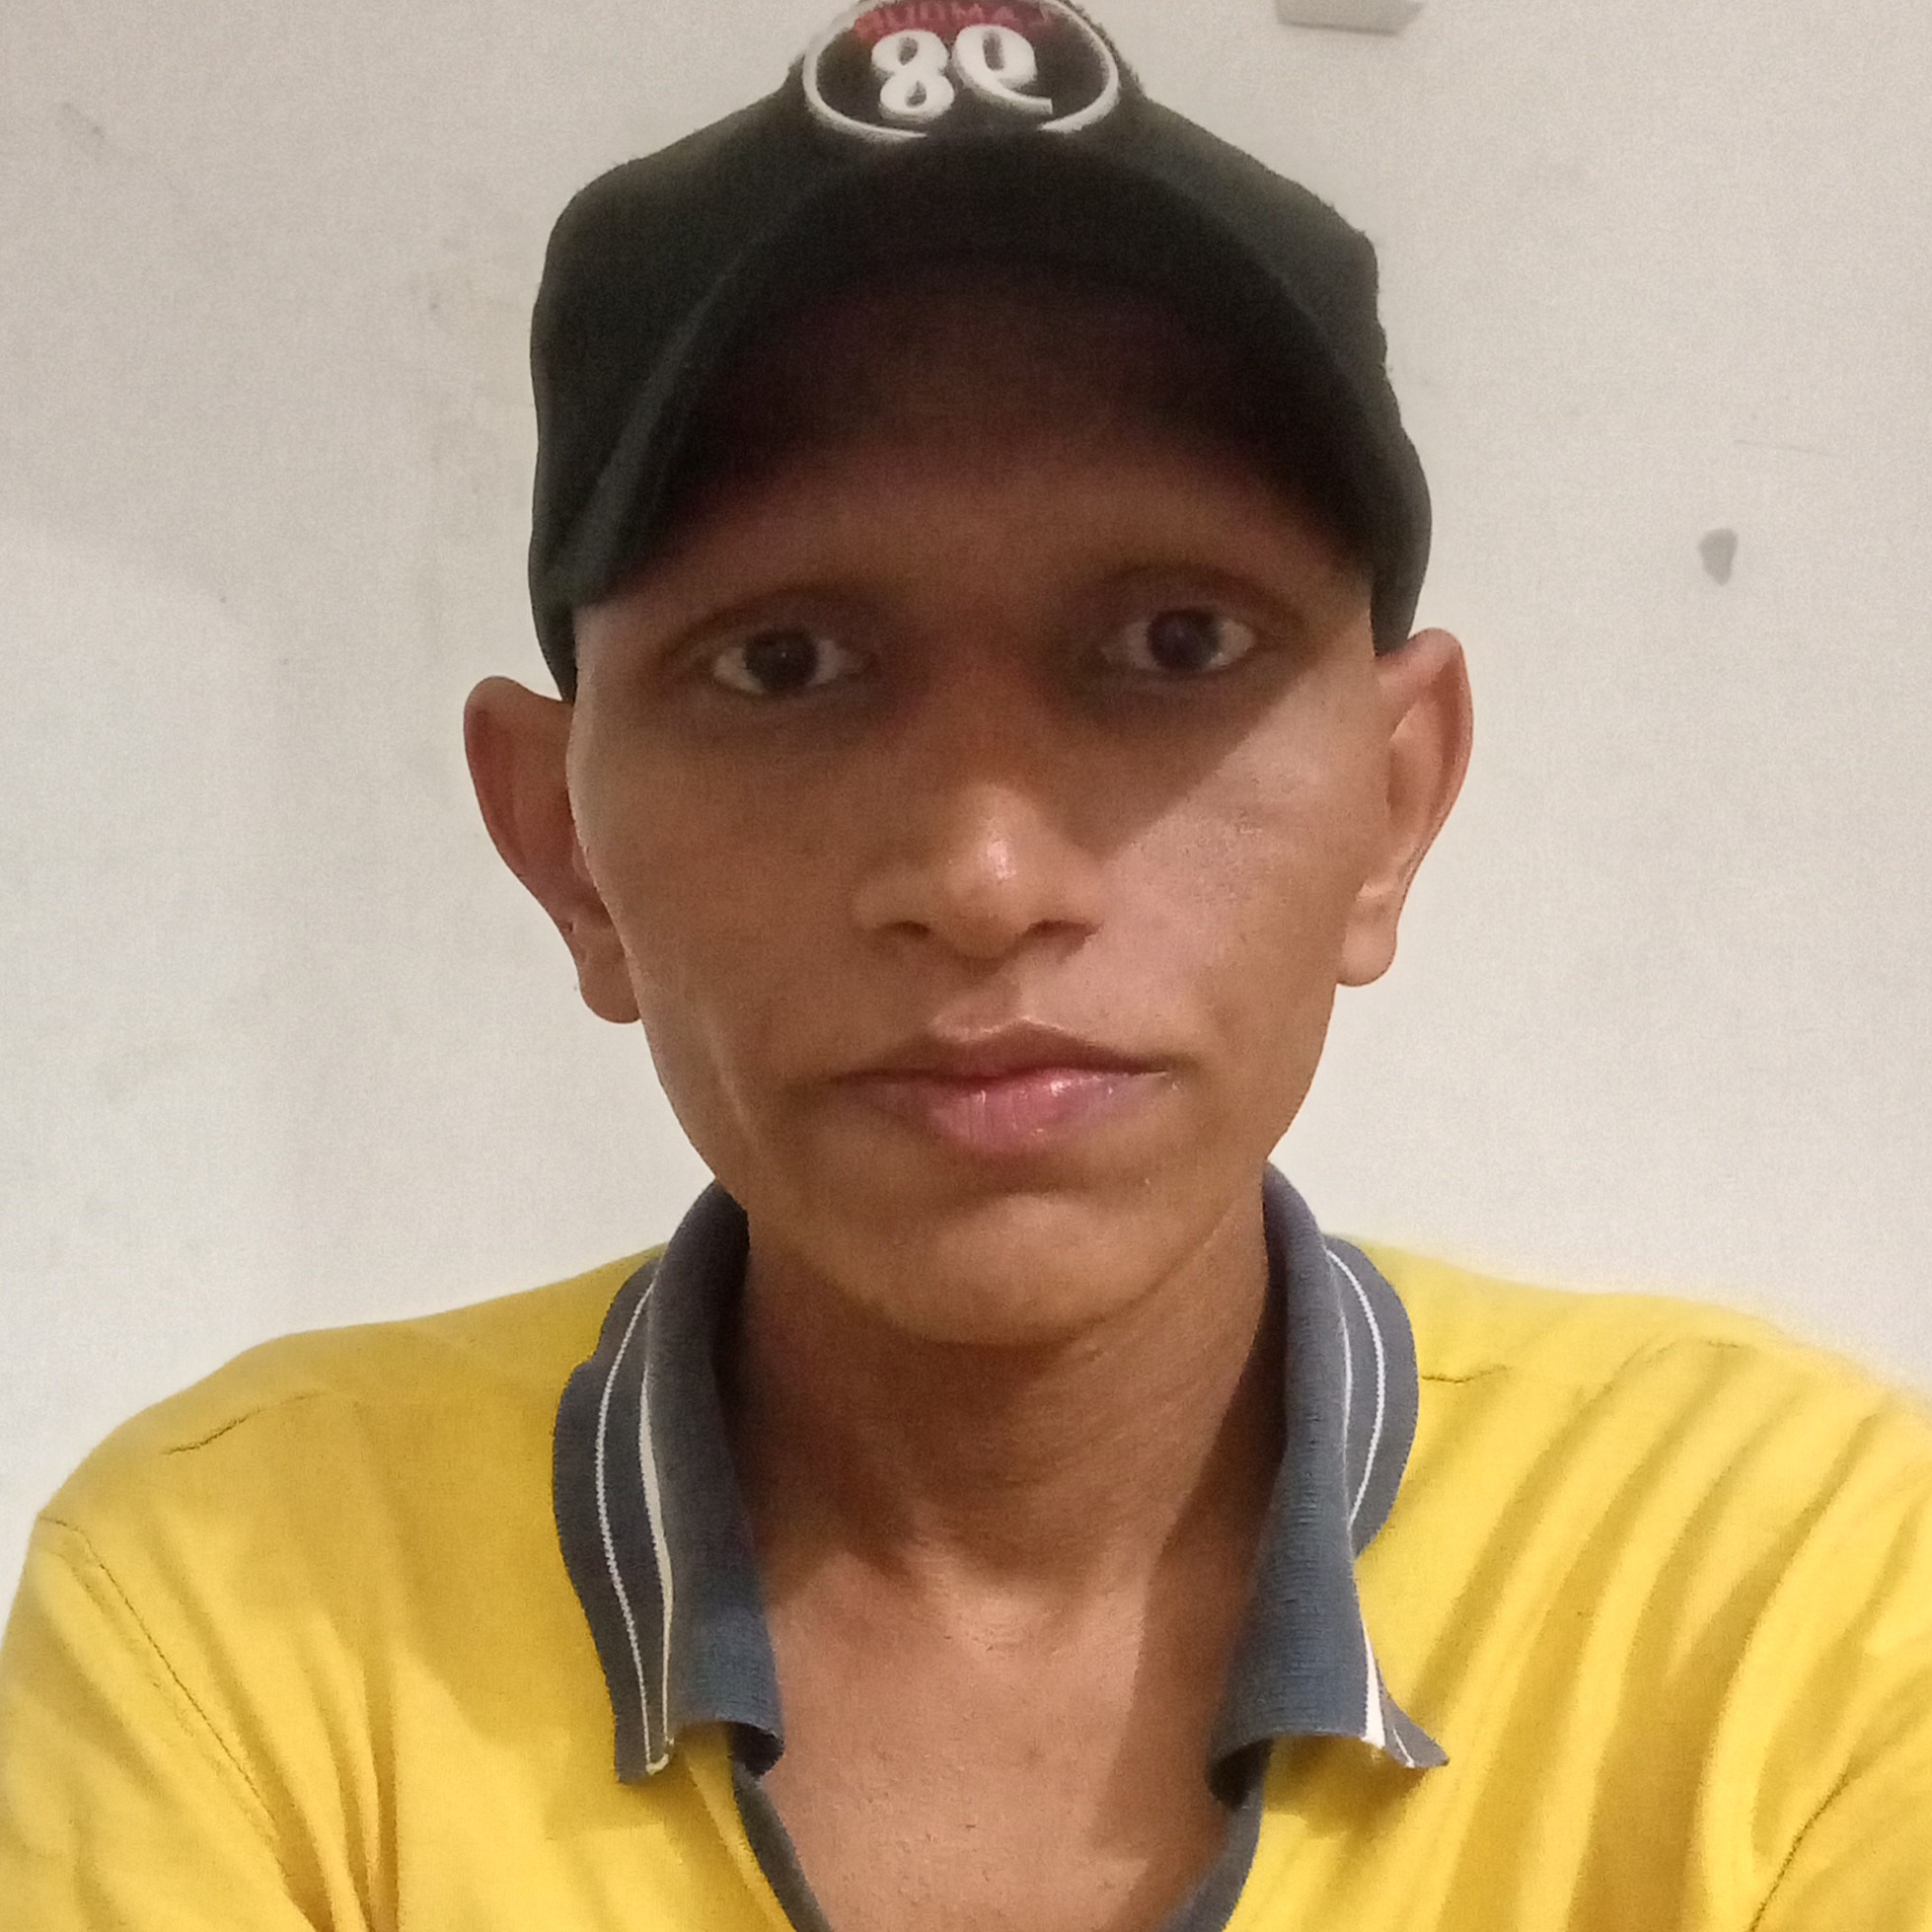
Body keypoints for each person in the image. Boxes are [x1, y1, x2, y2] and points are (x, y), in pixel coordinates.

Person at [4, 3, 1930, 1927]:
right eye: (783, 664)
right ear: (564, 848)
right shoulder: (244, 1618)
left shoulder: (1790, 1601)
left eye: (1176, 643)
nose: (985, 881)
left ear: (1394, 799)